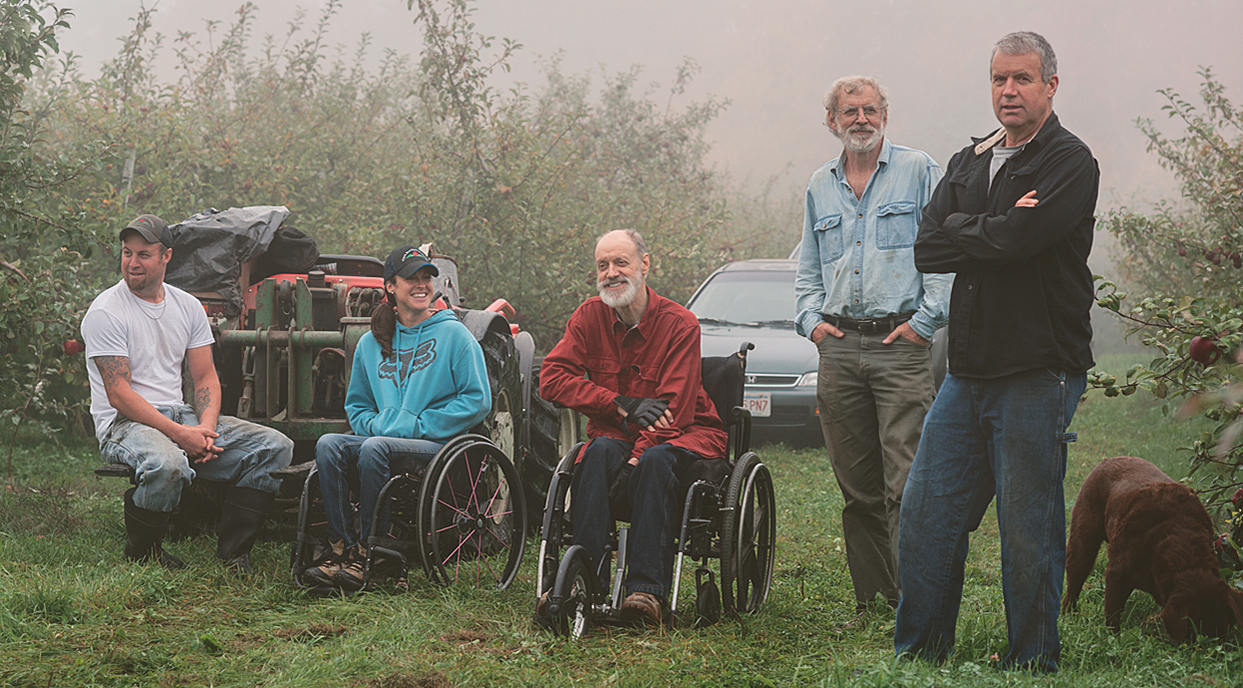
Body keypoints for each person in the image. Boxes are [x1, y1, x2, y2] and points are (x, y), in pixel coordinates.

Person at [894, 31, 1099, 673]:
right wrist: (995, 226)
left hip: (1040, 369)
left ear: (1050, 87)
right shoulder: (969, 159)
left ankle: (1030, 660)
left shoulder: (1070, 161)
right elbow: (928, 248)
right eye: (998, 79)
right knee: (927, 512)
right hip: (967, 371)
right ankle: (920, 653)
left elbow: (1022, 241)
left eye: (1022, 79)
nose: (1008, 91)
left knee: (1026, 527)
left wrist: (973, 228)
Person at [794, 75, 950, 626]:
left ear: (885, 113)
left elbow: (945, 251)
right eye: (849, 111)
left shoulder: (918, 169)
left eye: (870, 109)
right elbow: (808, 268)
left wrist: (927, 321)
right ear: (831, 121)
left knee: (904, 482)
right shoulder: (819, 184)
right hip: (838, 349)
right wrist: (811, 322)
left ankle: (918, 601)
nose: (860, 119)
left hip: (899, 346)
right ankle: (874, 602)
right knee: (856, 486)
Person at [82, 214, 294, 573]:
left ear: (166, 256)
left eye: (144, 254)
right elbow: (118, 394)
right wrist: (183, 437)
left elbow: (205, 377)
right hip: (125, 423)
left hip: (181, 415)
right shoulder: (106, 311)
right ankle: (144, 552)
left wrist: (205, 430)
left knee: (275, 447)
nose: (132, 263)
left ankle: (234, 555)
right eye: (126, 253)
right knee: (169, 464)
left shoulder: (187, 306)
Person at [537, 229, 727, 626]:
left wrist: (638, 456)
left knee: (655, 461)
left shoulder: (680, 324)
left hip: (687, 434)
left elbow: (672, 411)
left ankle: (646, 591)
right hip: (618, 433)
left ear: (644, 264)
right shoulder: (589, 316)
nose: (611, 273)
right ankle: (582, 583)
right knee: (596, 454)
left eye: (620, 262)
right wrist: (617, 404)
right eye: (602, 265)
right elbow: (551, 378)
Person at [304, 245, 491, 590]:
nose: (421, 285)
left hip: (436, 443)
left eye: (426, 278)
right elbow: (358, 406)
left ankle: (372, 554)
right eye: (411, 279)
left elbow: (477, 400)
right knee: (329, 443)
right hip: (383, 438)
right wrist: (378, 425)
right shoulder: (370, 344)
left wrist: (420, 425)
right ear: (390, 286)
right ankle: (341, 550)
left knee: (375, 447)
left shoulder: (455, 336)